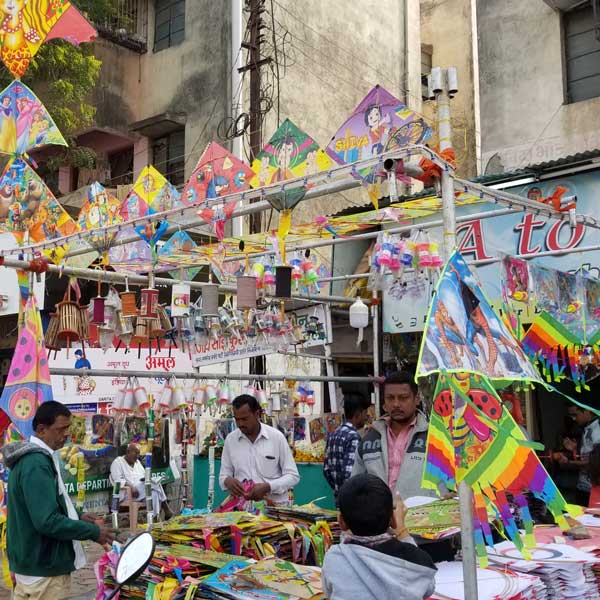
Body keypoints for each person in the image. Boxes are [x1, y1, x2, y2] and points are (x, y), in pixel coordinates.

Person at [3, 401, 115, 600]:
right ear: (41, 430)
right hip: (44, 571)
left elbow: (41, 506)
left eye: (68, 428)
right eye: (61, 429)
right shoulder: (36, 464)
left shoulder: (34, 460)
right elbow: (47, 521)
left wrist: (77, 516)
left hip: (33, 567)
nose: (66, 435)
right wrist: (93, 532)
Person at [321, 473, 436, 600]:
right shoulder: (415, 561)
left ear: (341, 522)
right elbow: (429, 588)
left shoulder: (334, 557)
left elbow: (329, 593)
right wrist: (402, 531)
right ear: (393, 519)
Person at [352, 371, 444, 499]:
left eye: (403, 397)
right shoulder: (370, 438)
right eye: (390, 398)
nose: (396, 404)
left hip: (422, 516)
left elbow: (452, 482)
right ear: (384, 402)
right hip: (378, 517)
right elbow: (355, 485)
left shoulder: (435, 437)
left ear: (416, 399)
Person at [219, 394, 300, 504]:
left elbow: (293, 476)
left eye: (244, 419)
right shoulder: (230, 440)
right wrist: (227, 481)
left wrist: (269, 486)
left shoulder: (276, 437)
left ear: (257, 414)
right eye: (237, 419)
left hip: (274, 509)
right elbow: (223, 475)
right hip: (242, 511)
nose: (240, 424)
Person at [323, 392, 370, 498]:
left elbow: (326, 470)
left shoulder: (333, 434)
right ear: (358, 414)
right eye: (365, 412)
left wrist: (338, 488)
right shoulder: (353, 436)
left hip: (339, 497)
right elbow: (350, 474)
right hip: (351, 500)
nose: (366, 416)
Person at [110, 443, 172, 520]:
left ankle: (154, 518)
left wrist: (146, 478)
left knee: (154, 493)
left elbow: (144, 476)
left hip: (142, 491)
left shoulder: (137, 463)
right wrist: (131, 486)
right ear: (128, 452)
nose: (137, 456)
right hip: (127, 493)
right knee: (152, 485)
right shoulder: (118, 462)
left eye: (138, 453)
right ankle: (165, 507)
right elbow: (117, 480)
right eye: (135, 453)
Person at [560, 405, 600, 506]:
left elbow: (596, 461)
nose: (573, 419)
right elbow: (587, 453)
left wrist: (569, 462)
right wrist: (575, 449)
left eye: (575, 415)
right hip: (583, 487)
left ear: (586, 411)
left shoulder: (597, 429)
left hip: (594, 489)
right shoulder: (587, 427)